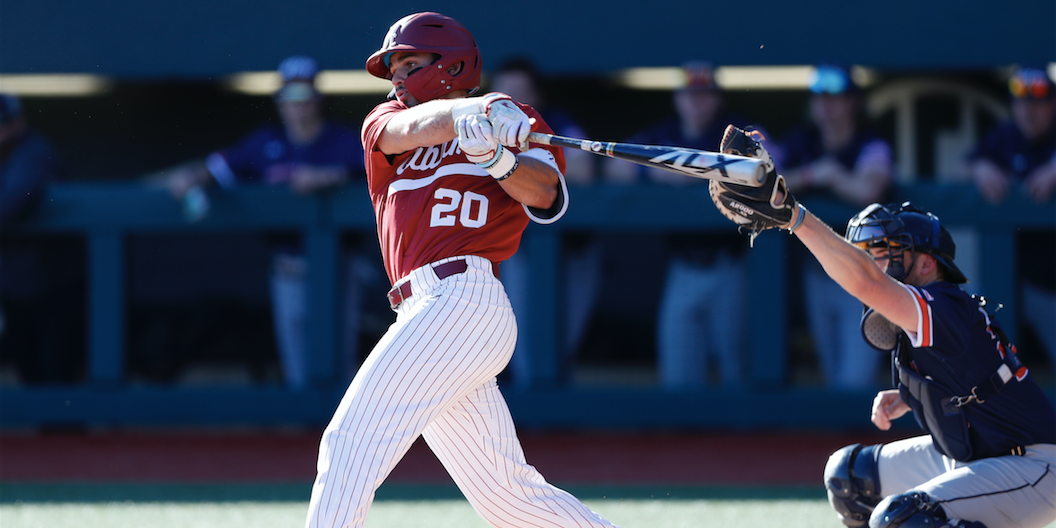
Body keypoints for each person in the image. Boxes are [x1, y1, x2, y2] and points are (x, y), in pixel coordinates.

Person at [305, 12, 618, 528]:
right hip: (423, 313)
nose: (398, 78)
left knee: (349, 443)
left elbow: (548, 196)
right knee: (510, 497)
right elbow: (410, 128)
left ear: (449, 62)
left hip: (464, 301)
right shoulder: (387, 121)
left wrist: (501, 159)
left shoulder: (516, 120)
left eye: (408, 62)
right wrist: (478, 109)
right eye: (393, 67)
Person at [709, 125, 1056, 528]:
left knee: (902, 517)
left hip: (1031, 466)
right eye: (868, 254)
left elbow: (866, 282)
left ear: (927, 264)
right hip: (979, 450)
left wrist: (794, 216)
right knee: (849, 476)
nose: (875, 263)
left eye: (885, 253)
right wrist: (914, 396)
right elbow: (972, 379)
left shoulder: (944, 303)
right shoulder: (929, 313)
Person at [152, 56, 373, 388]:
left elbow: (377, 173)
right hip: (288, 265)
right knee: (298, 362)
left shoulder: (342, 140)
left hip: (337, 264)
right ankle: (303, 433)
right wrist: (191, 177)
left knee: (339, 357)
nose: (298, 106)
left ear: (318, 99)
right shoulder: (266, 142)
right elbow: (216, 168)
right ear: (280, 102)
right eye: (290, 97)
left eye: (305, 97)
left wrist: (331, 175)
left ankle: (344, 433)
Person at [605, 61, 753, 388]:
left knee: (739, 373)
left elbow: (771, 164)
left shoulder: (735, 133)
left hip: (730, 264)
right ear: (677, 98)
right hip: (683, 266)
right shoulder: (665, 132)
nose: (696, 102)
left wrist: (696, 169)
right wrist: (654, 170)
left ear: (716, 98)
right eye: (689, 94)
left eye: (704, 94)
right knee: (679, 376)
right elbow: (613, 165)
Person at [776, 64, 895, 389]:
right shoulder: (803, 139)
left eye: (835, 97)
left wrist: (832, 175)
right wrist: (817, 174)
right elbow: (769, 179)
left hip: (864, 275)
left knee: (855, 383)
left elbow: (870, 188)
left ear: (852, 101)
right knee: (831, 378)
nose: (826, 105)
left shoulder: (871, 142)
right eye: (819, 97)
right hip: (818, 273)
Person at [489, 56, 601, 387]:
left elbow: (584, 169)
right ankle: (529, 423)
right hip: (516, 252)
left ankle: (556, 425)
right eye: (505, 91)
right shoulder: (478, 129)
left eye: (521, 92)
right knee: (518, 338)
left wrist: (521, 166)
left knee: (565, 339)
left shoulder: (553, 123)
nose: (512, 99)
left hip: (572, 249)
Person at [966, 65, 1056, 372]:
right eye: (1023, 102)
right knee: (989, 367)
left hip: (1050, 285)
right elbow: (963, 168)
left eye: (1039, 102)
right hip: (1010, 279)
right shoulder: (1005, 136)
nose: (1030, 111)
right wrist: (980, 167)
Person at [0, 93, 86, 384]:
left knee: (58, 381)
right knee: (29, 376)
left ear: (16, 125)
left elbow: (11, 203)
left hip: (57, 287)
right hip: (16, 288)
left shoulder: (35, 151)